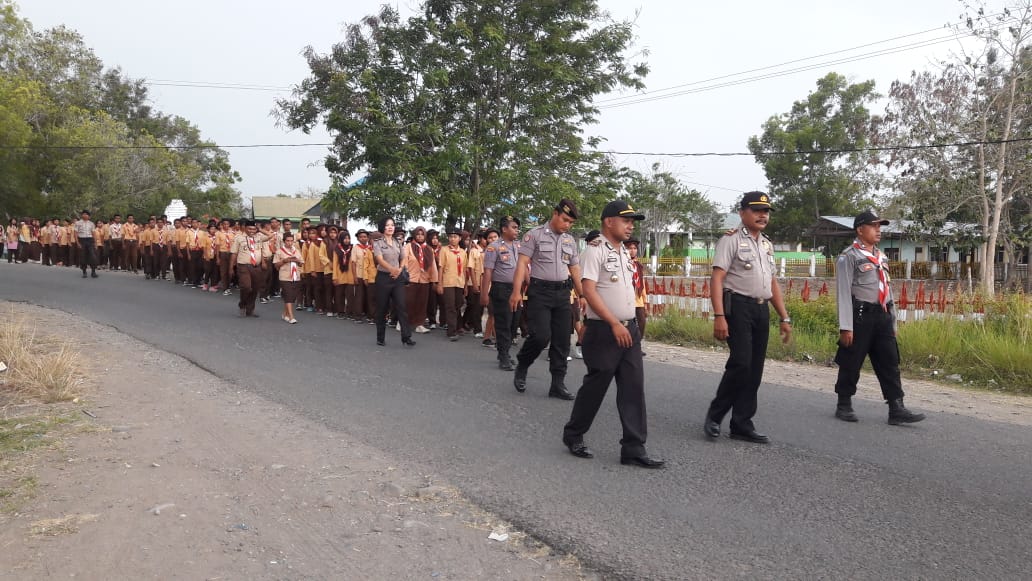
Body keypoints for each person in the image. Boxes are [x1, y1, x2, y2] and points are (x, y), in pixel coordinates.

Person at [562, 200, 663, 468]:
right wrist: (614, 323)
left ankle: (633, 447)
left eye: (632, 221)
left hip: (628, 328)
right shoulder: (594, 251)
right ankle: (573, 434)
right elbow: (589, 291)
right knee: (596, 386)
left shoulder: (624, 253)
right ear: (609, 221)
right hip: (604, 329)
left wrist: (626, 324)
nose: (631, 226)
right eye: (626, 220)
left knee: (633, 388)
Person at [703, 192, 791, 444]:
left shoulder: (766, 244)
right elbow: (717, 278)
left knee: (754, 369)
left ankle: (742, 423)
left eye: (766, 211)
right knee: (741, 363)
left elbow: (772, 282)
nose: (763, 215)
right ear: (742, 213)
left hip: (761, 310)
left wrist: (784, 317)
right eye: (756, 210)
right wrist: (719, 315)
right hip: (738, 307)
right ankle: (715, 414)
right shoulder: (730, 240)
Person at [833, 211, 926, 425]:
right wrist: (846, 326)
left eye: (880, 226)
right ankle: (844, 404)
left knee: (890, 362)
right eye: (874, 226)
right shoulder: (849, 257)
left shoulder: (881, 257)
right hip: (860, 316)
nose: (878, 230)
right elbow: (843, 294)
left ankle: (896, 408)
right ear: (860, 229)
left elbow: (889, 291)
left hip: (882, 315)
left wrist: (892, 321)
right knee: (851, 361)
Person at [510, 199, 583, 400]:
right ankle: (523, 364)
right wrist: (516, 292)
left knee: (562, 340)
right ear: (555, 213)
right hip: (540, 293)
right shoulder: (533, 235)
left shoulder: (569, 241)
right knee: (541, 336)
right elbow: (522, 265)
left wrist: (582, 294)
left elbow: (575, 269)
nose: (567, 225)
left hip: (562, 295)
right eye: (565, 220)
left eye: (571, 223)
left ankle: (557, 384)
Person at [372, 217, 416, 347]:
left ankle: (406, 337)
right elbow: (379, 259)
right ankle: (380, 337)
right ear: (382, 228)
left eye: (392, 225)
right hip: (383, 278)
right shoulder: (378, 242)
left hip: (397, 278)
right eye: (387, 225)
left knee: (402, 306)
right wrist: (391, 269)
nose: (390, 227)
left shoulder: (398, 242)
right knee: (382, 308)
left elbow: (403, 257)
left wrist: (399, 269)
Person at [229, 220, 269, 318]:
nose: (252, 231)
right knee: (246, 287)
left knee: (255, 289)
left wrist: (260, 230)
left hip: (256, 266)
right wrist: (231, 268)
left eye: (254, 229)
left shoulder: (259, 237)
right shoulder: (239, 238)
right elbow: (234, 253)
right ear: (245, 228)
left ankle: (250, 310)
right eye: (250, 228)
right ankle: (242, 305)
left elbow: (271, 235)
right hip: (244, 266)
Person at [405, 226, 438, 333]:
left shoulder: (429, 249)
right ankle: (404, 322)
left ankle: (419, 324)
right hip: (411, 279)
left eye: (422, 234)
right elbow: (404, 262)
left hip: (424, 280)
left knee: (422, 303)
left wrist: (434, 280)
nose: (420, 236)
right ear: (414, 235)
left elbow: (433, 266)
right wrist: (404, 277)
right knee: (409, 302)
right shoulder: (408, 246)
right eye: (418, 234)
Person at [437, 228, 467, 342]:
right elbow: (441, 268)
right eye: (450, 237)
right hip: (448, 282)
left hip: (459, 282)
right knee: (450, 306)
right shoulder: (444, 250)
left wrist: (465, 286)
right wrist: (440, 284)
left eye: (455, 237)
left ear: (460, 238)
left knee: (458, 305)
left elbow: (464, 270)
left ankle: (457, 326)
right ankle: (451, 331)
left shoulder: (463, 252)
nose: (452, 239)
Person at [274, 231, 304, 324]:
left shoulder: (296, 251)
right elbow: (276, 266)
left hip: (296, 276)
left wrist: (297, 260)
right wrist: (285, 260)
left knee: (292, 297)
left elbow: (301, 263)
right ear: (284, 241)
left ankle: (285, 314)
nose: (290, 243)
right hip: (285, 276)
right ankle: (291, 317)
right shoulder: (279, 251)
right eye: (287, 241)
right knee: (288, 295)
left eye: (291, 241)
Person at [73, 210, 99, 278]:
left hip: (90, 240)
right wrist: (77, 242)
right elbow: (75, 233)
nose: (85, 215)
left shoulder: (91, 223)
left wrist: (95, 243)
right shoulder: (78, 223)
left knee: (93, 256)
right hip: (82, 240)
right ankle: (84, 272)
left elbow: (94, 234)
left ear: (89, 216)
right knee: (83, 256)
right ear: (82, 215)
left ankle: (93, 272)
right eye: (83, 214)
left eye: (86, 214)